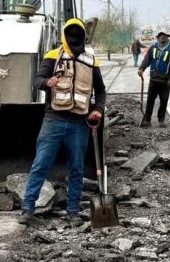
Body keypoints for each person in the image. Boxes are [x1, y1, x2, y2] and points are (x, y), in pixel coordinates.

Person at [19, 18, 106, 226]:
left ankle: (73, 212)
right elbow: (37, 80)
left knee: (76, 169)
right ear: (65, 35)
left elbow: (101, 91)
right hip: (54, 120)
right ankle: (27, 209)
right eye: (70, 33)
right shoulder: (53, 56)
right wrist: (47, 82)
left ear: (84, 36)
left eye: (78, 33)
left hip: (79, 124)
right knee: (41, 165)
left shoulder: (91, 61)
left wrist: (98, 110)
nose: (74, 37)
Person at [137, 31, 170, 127]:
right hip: (154, 80)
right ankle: (147, 119)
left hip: (165, 81)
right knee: (150, 100)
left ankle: (161, 120)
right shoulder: (153, 47)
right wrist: (141, 68)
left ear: (167, 37)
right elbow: (147, 59)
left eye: (164, 35)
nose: (162, 37)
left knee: (164, 101)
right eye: (160, 35)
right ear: (157, 37)